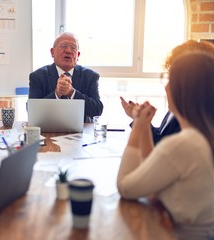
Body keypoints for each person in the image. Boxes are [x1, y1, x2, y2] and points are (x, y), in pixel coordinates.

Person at [117, 52, 214, 239]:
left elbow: (125, 187)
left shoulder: (184, 144)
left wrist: (137, 128)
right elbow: (151, 173)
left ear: (183, 91)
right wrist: (145, 128)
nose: (166, 86)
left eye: (170, 80)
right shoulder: (202, 136)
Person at [120, 40, 214, 144]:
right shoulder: (177, 108)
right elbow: (161, 136)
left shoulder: (195, 122)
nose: (168, 86)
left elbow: (161, 145)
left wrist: (140, 125)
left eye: (176, 76)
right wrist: (140, 119)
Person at [28, 32, 103, 123]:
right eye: (63, 46)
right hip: (48, 131)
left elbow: (97, 110)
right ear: (52, 52)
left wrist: (71, 92)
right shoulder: (38, 76)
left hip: (82, 133)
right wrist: (57, 93)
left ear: (77, 55)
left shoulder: (90, 76)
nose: (68, 51)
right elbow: (32, 110)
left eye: (73, 47)